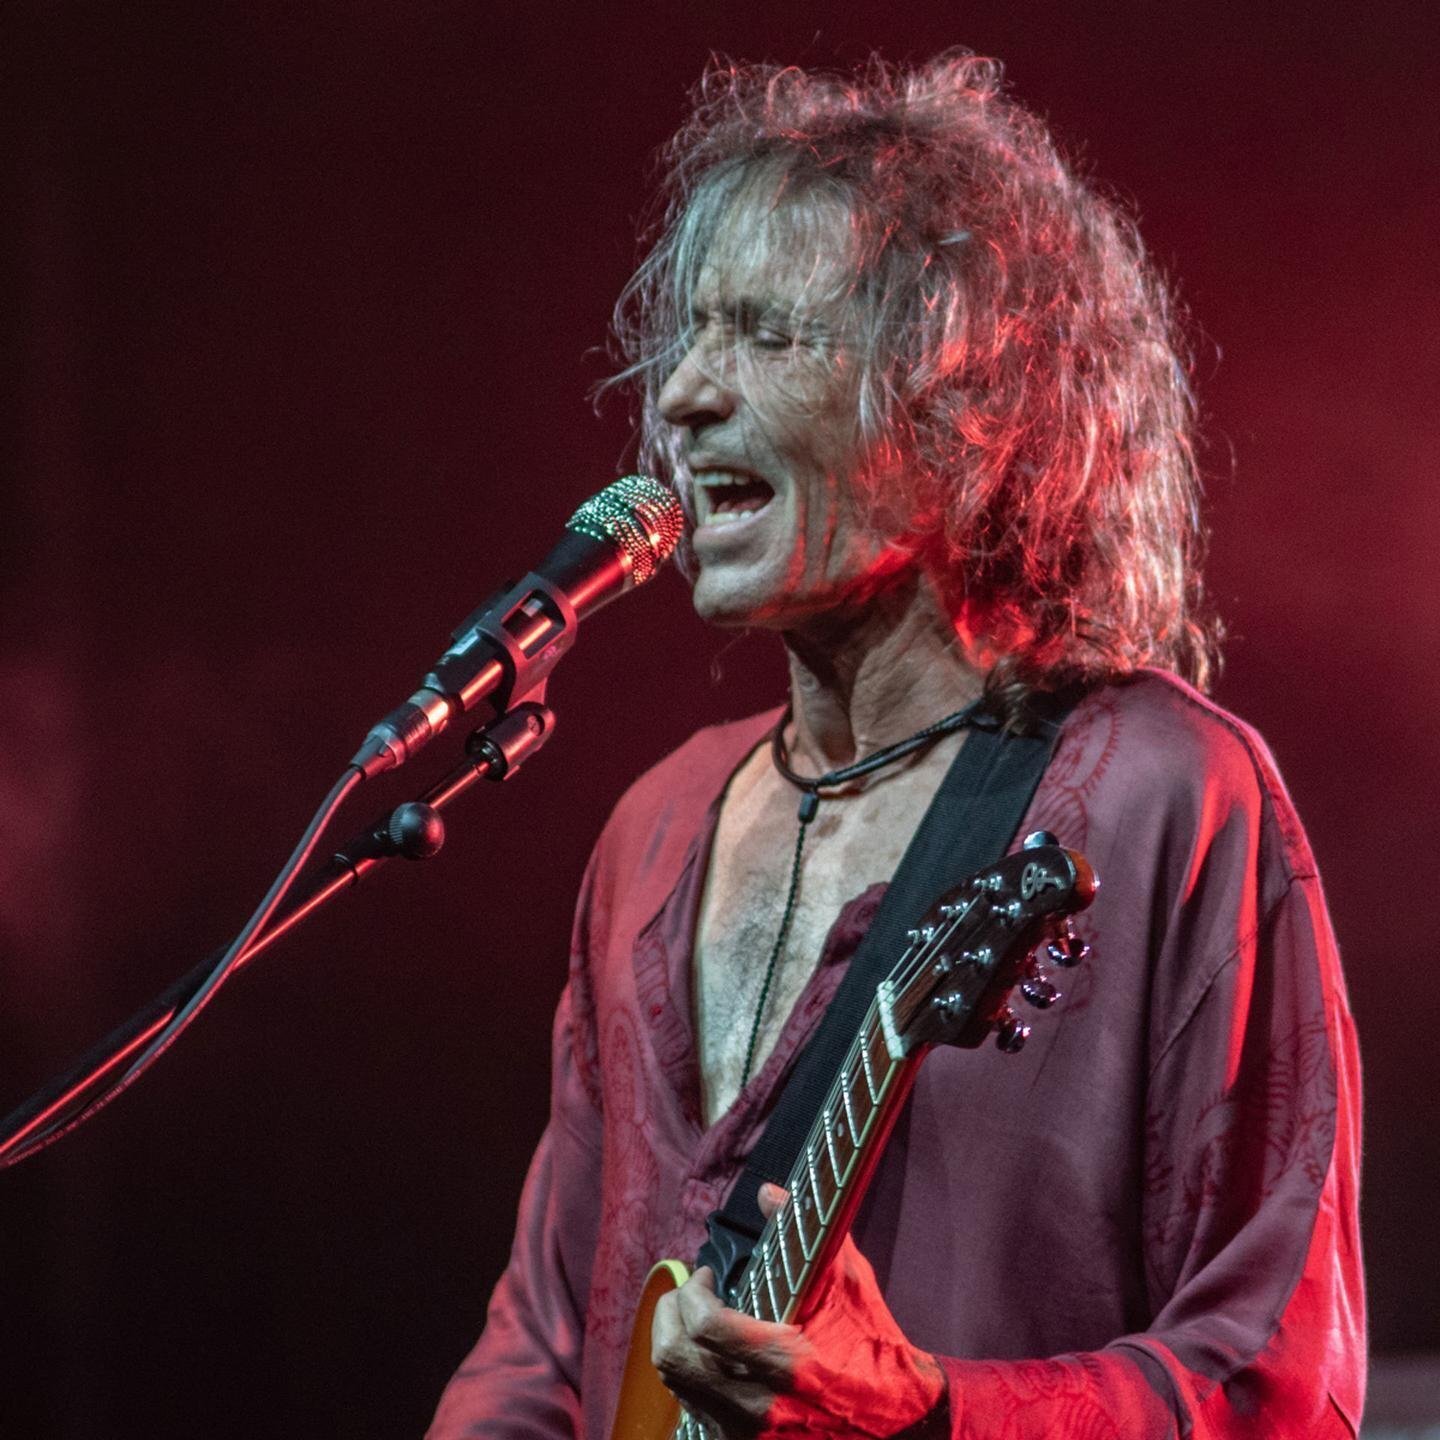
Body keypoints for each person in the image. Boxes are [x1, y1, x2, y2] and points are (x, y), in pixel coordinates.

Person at [428, 52, 1364, 1438]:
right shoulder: (656, 826)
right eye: (692, 336)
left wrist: (929, 1413)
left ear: (964, 407)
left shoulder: (1166, 796)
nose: (681, 397)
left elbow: (1271, 1376)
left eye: (767, 337)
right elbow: (543, 1341)